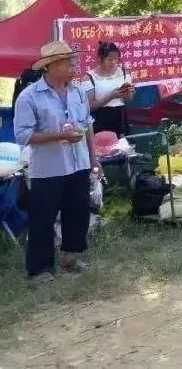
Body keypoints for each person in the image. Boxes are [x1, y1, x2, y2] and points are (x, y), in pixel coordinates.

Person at [14, 42, 99, 282]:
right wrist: (59, 136)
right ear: (51, 66)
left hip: (78, 163)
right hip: (48, 168)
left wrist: (93, 158)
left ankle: (70, 257)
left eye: (73, 62)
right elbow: (23, 135)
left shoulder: (78, 92)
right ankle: (40, 269)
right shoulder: (30, 96)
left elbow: (88, 124)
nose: (74, 67)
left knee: (78, 211)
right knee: (43, 218)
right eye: (69, 63)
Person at [80, 42, 134, 136]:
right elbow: (89, 107)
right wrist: (111, 96)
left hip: (120, 118)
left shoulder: (124, 72)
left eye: (116, 59)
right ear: (100, 58)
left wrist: (129, 92)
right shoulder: (89, 77)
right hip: (99, 120)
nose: (113, 62)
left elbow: (129, 99)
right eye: (110, 59)